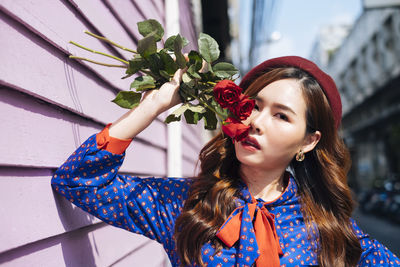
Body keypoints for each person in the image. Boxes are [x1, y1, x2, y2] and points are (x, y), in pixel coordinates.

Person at [51, 56, 400, 267]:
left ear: (308, 141)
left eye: (281, 116)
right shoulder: (186, 205)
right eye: (254, 106)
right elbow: (78, 181)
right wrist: (152, 107)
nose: (256, 122)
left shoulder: (331, 233)